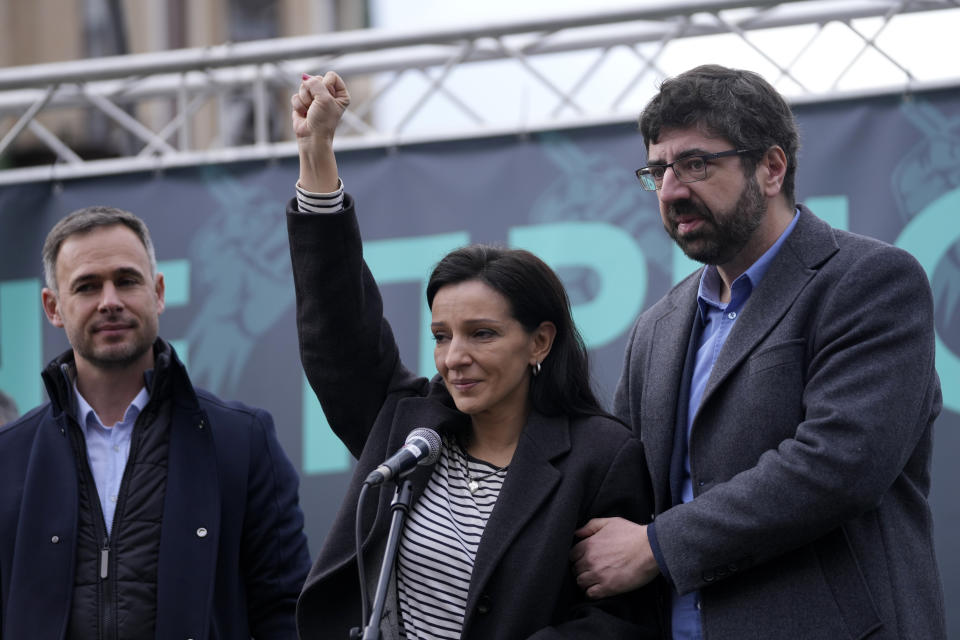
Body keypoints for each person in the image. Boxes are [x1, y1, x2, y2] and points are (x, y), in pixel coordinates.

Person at [570, 64, 946, 639]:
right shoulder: (657, 327)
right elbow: (621, 480)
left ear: (771, 168)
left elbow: (839, 464)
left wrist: (656, 546)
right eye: (658, 170)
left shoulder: (870, 281)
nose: (671, 190)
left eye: (695, 163)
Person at [286, 72, 661, 639]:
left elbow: (619, 623)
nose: (454, 356)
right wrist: (316, 151)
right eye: (441, 336)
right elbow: (338, 323)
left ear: (540, 341)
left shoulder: (598, 456)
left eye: (481, 334)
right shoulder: (406, 430)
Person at [0, 205, 311, 639]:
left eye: (126, 281)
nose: (110, 302)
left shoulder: (241, 442)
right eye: (87, 287)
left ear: (159, 292)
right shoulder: (7, 457)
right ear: (53, 307)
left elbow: (288, 613)